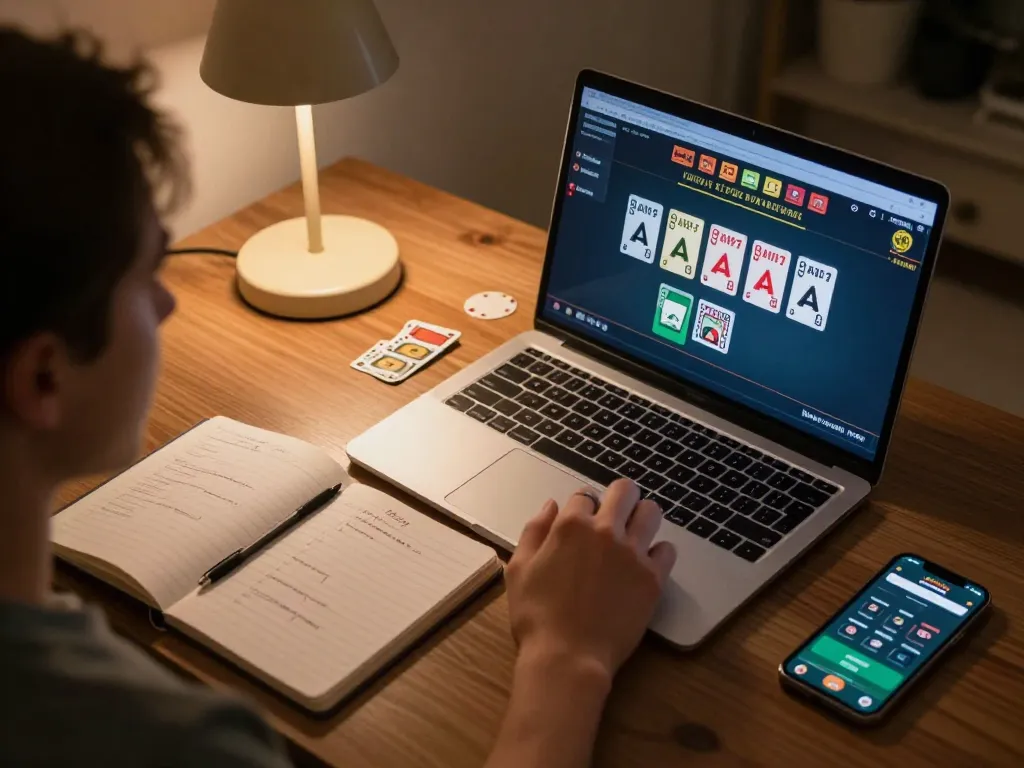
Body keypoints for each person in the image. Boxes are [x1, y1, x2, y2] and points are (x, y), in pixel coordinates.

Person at [0, 28, 677, 768]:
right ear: (43, 377)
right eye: (145, 275)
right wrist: (567, 659)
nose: (165, 306)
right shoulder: (173, 743)